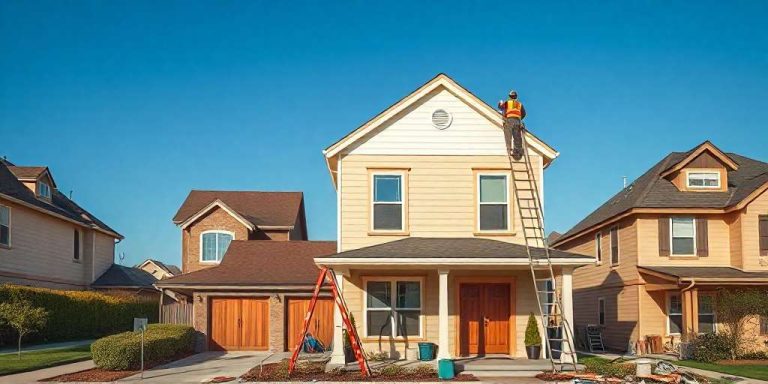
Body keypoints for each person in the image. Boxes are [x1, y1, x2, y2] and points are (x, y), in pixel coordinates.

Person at [498, 90, 526, 160]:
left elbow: (501, 107)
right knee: (517, 136)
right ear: (516, 97)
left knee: (508, 135)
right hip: (517, 121)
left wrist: (500, 103)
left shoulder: (507, 102)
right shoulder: (519, 104)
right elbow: (524, 113)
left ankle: (509, 150)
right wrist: (520, 118)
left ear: (510, 96)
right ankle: (517, 151)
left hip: (509, 120)